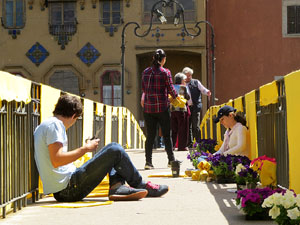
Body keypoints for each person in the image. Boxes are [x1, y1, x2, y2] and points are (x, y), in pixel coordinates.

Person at [34, 94, 169, 202]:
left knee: (111, 151)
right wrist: (85, 149)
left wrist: (86, 147)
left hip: (67, 186)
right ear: (74, 116)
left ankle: (117, 187)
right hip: (68, 189)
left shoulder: (48, 124)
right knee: (114, 150)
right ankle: (140, 184)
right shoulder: (55, 126)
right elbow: (57, 160)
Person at [141, 49, 177, 170]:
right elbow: (171, 88)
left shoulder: (145, 72)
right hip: (162, 107)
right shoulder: (165, 72)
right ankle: (171, 160)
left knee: (150, 136)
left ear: (153, 58)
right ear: (163, 60)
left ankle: (148, 162)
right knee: (167, 135)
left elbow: (144, 88)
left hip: (148, 108)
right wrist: (176, 97)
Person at [182, 67, 211, 147]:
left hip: (195, 107)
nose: (188, 77)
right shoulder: (182, 84)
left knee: (195, 126)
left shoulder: (196, 82)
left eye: (189, 75)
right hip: (186, 108)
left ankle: (198, 143)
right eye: (187, 76)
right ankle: (190, 144)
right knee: (188, 126)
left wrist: (207, 92)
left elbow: (203, 90)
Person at [170, 72, 190, 151]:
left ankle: (172, 145)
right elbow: (187, 97)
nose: (185, 82)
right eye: (184, 80)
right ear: (181, 80)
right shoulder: (184, 87)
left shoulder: (172, 87)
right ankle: (182, 146)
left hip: (173, 109)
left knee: (173, 128)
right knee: (183, 128)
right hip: (181, 110)